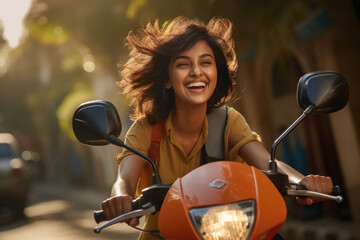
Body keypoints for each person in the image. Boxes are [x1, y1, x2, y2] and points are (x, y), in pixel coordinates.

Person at [101, 16, 333, 240]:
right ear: (167, 80)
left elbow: (269, 164)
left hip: (230, 231)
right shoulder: (147, 129)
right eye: (183, 64)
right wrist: (120, 197)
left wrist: (301, 182)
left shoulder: (228, 121)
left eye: (205, 62)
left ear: (215, 73)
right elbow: (126, 179)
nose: (196, 72)